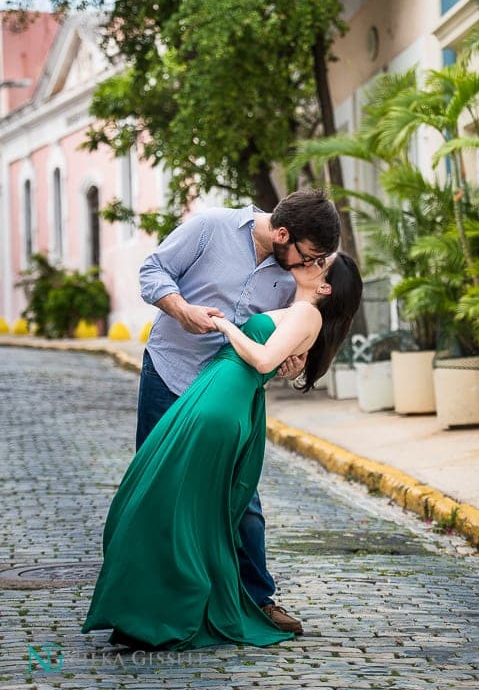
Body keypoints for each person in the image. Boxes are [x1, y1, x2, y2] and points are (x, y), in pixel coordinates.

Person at [82, 251, 363, 650]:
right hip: (219, 393)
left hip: (223, 401)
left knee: (169, 504)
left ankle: (162, 613)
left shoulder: (308, 314)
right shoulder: (298, 309)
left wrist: (224, 326)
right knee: (179, 506)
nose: (311, 259)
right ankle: (153, 611)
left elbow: (264, 357)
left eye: (321, 262)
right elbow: (275, 357)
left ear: (325, 287)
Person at [135, 189, 341, 634]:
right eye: (309, 255)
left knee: (242, 496)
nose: (311, 265)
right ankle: (147, 598)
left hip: (232, 393)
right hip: (171, 373)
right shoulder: (211, 227)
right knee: (157, 485)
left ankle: (256, 597)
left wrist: (295, 359)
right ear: (283, 233)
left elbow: (280, 336)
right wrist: (182, 308)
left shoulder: (293, 276)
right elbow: (152, 270)